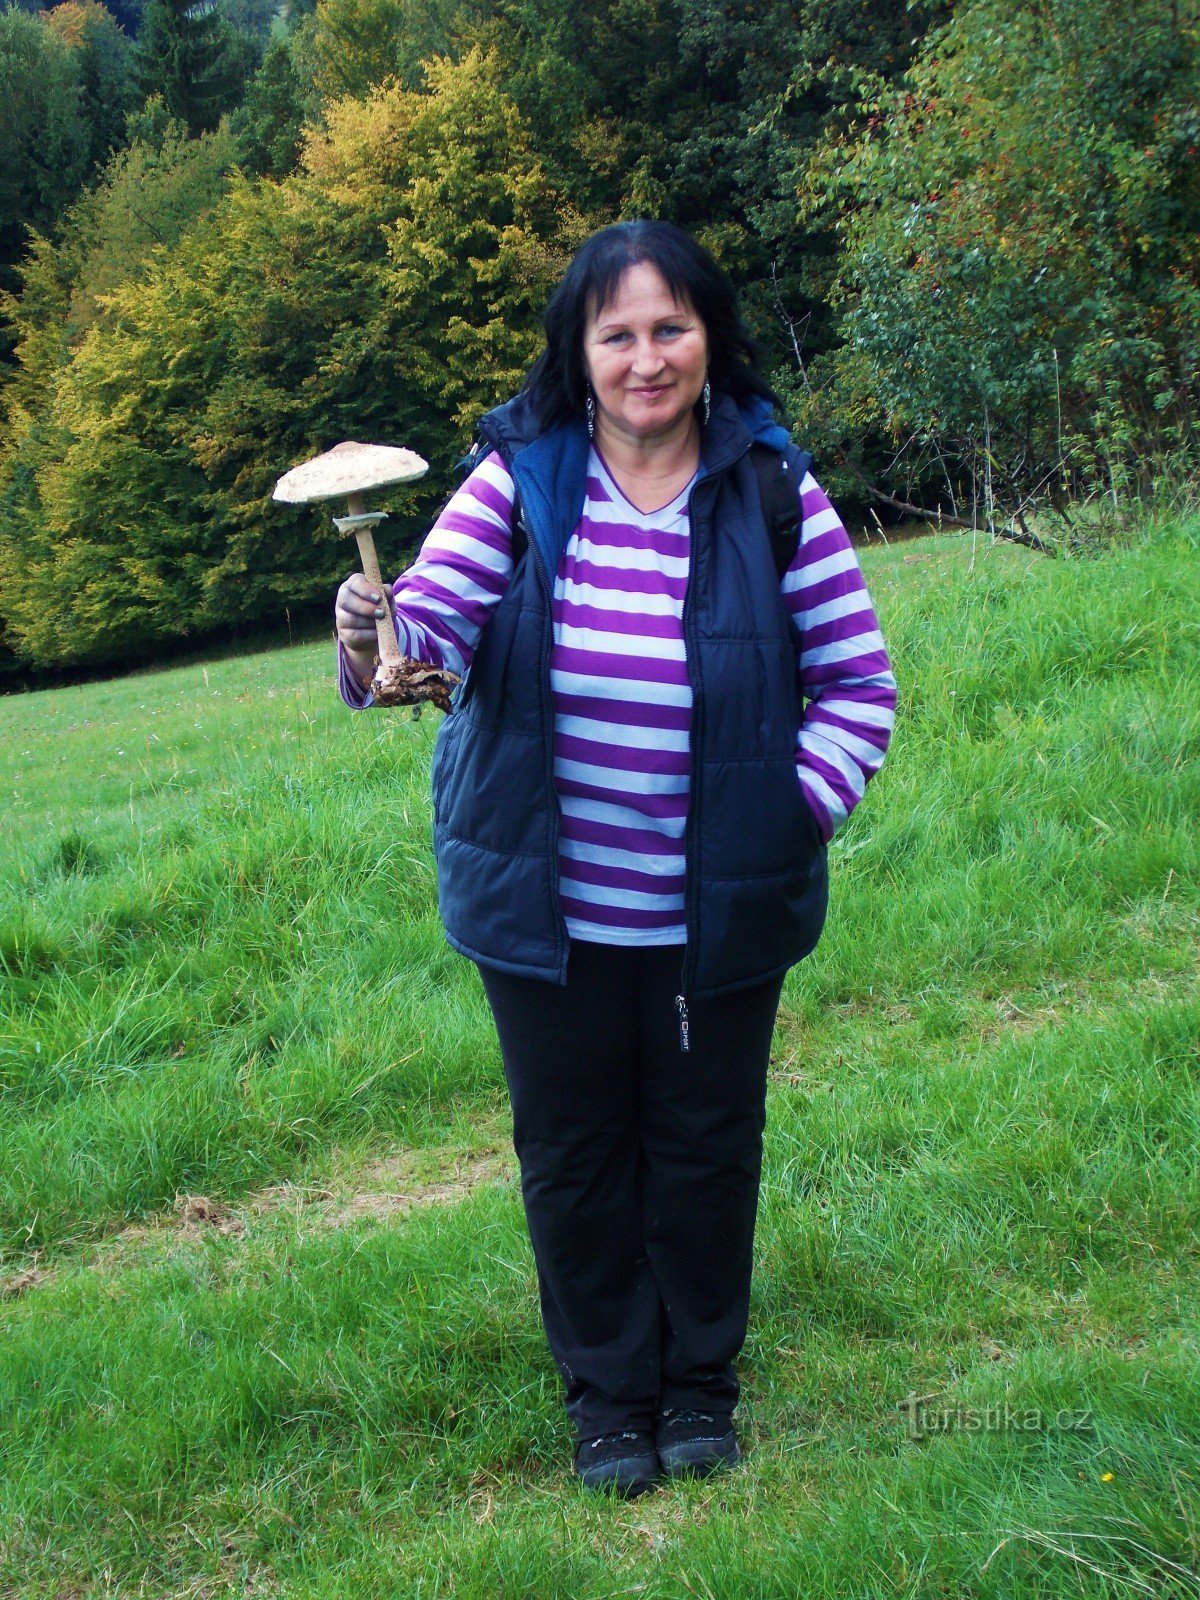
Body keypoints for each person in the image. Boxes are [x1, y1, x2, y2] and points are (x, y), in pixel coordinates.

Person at [335, 221, 896, 1498]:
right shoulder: (518, 483)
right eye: (619, 334)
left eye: (671, 328)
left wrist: (786, 815)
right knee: (576, 1157)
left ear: (710, 338)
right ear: (578, 355)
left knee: (705, 1148)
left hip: (717, 916)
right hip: (549, 918)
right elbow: (426, 630)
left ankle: (700, 1385)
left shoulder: (771, 489)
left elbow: (861, 686)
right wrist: (371, 623)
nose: (649, 358)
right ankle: (606, 1399)